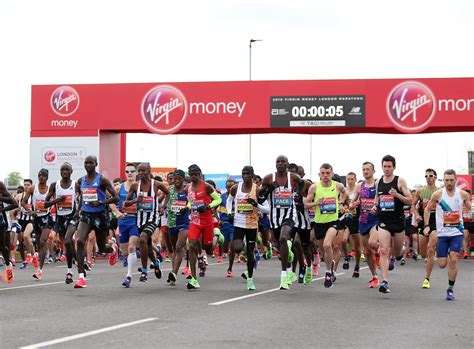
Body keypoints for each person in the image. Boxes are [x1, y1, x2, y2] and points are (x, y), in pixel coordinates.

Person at [423, 169, 471, 300]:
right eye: (446, 180)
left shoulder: (462, 194)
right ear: (443, 181)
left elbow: (470, 208)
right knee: (442, 264)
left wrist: (469, 209)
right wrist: (426, 225)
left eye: (451, 180)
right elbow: (427, 210)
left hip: (457, 232)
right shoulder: (438, 195)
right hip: (442, 234)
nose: (449, 183)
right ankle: (445, 257)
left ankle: (450, 289)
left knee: (454, 259)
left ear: (456, 180)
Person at [259, 155, 305, 290]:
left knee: (283, 238)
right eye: (278, 162)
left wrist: (297, 193)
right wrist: (269, 189)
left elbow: (302, 184)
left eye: (283, 162)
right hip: (274, 216)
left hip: (290, 214)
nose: (280, 164)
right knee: (280, 244)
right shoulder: (268, 178)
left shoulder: (293, 178)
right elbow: (260, 199)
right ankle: (290, 268)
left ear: (287, 164)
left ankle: (283, 275)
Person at [74, 155, 119, 288]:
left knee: (102, 247)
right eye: (86, 163)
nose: (88, 165)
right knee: (80, 241)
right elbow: (82, 196)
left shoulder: (102, 180)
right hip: (86, 215)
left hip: (100, 215)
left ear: (95, 164)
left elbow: (115, 198)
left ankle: (113, 248)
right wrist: (78, 210)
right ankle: (81, 277)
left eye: (91, 163)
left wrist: (100, 202)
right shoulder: (80, 180)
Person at [371, 155, 412, 293]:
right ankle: (384, 282)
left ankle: (399, 254)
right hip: (384, 221)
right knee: (383, 250)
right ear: (382, 167)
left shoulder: (399, 180)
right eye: (385, 166)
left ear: (394, 167)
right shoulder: (378, 182)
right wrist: (375, 206)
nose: (387, 169)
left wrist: (397, 195)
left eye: (389, 166)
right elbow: (377, 198)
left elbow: (410, 201)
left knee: (397, 251)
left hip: (398, 221)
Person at [226, 166, 270, 290]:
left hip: (252, 225)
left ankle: (250, 279)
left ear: (252, 175)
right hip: (238, 223)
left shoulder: (258, 190)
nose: (245, 176)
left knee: (250, 253)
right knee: (238, 247)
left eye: (248, 174)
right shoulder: (236, 188)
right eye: (243, 174)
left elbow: (267, 208)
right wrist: (229, 213)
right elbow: (229, 201)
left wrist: (257, 205)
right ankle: (244, 244)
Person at [125, 163, 170, 283]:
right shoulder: (135, 186)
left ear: (149, 171)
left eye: (143, 171)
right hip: (140, 219)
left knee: (143, 239)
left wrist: (163, 207)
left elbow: (168, 193)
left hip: (153, 218)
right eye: (139, 171)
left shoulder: (156, 184)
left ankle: (144, 271)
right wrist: (135, 200)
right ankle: (155, 263)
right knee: (148, 245)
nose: (140, 173)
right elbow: (126, 203)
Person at [305, 163, 346, 288]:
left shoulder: (338, 186)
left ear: (332, 174)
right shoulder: (314, 188)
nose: (325, 175)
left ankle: (328, 273)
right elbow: (306, 204)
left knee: (327, 244)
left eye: (328, 173)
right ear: (319, 174)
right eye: (323, 173)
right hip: (319, 222)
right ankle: (330, 263)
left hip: (333, 222)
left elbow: (344, 193)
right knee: (323, 251)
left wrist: (340, 202)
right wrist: (316, 203)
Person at [186, 164, 222, 289]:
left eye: (196, 174)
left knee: (209, 250)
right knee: (191, 245)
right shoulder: (188, 188)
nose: (194, 177)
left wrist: (207, 206)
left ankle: (217, 236)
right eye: (191, 175)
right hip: (194, 222)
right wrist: (187, 208)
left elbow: (218, 200)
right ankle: (194, 279)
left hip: (207, 222)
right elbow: (191, 202)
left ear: (200, 174)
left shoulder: (206, 186)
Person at [44, 163, 78, 284]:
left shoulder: (75, 185)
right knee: (67, 244)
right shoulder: (55, 185)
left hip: (72, 218)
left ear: (71, 171)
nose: (64, 172)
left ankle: (69, 272)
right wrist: (58, 200)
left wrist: (78, 212)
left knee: (68, 241)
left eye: (67, 170)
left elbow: (83, 200)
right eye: (62, 169)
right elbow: (45, 204)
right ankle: (78, 261)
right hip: (60, 219)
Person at [22, 169, 54, 280]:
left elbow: (55, 201)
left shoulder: (50, 189)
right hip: (36, 218)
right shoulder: (32, 188)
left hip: (47, 218)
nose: (41, 177)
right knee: (39, 245)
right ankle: (41, 259)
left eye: (44, 175)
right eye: (39, 175)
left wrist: (51, 204)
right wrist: (31, 212)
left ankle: (39, 270)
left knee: (43, 241)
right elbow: (23, 202)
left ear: (47, 177)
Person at [351, 162, 380, 287]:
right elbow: (352, 203)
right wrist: (353, 205)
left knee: (372, 243)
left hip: (376, 219)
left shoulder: (378, 184)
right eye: (363, 169)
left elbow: (382, 199)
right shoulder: (359, 186)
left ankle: (379, 252)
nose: (365, 171)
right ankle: (374, 276)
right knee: (367, 251)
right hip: (363, 220)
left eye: (368, 169)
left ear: (373, 171)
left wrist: (375, 205)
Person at [110, 163, 139, 288]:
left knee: (132, 247)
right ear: (125, 173)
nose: (130, 173)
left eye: (132, 171)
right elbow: (110, 202)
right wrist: (116, 212)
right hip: (123, 223)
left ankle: (129, 276)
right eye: (127, 171)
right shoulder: (119, 188)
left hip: (136, 222)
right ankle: (116, 250)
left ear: (136, 173)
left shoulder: (140, 188)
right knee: (125, 252)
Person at [412, 169, 439, 289]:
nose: (428, 178)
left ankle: (426, 278)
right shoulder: (420, 191)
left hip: (436, 221)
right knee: (423, 253)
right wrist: (416, 215)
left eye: (431, 176)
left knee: (430, 248)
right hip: (424, 221)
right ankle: (429, 259)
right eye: (426, 176)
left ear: (435, 177)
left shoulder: (440, 192)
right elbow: (413, 204)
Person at [166, 170, 190, 286]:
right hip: (171, 223)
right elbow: (161, 199)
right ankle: (173, 276)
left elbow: (192, 201)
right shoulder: (169, 189)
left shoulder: (187, 190)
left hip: (184, 223)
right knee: (175, 249)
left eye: (179, 179)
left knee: (179, 247)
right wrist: (161, 206)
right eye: (174, 179)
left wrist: (188, 207)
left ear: (183, 179)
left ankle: (174, 273)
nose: (176, 181)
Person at [0, 181, 19, 284]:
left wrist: (2, 208)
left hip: (2, 220)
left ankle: (8, 265)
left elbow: (14, 203)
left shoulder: (0, 185)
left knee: (2, 246)